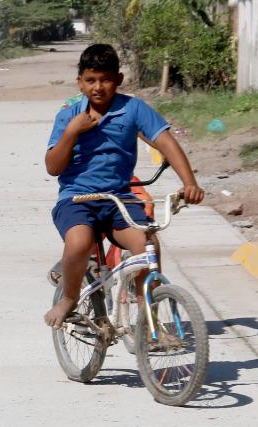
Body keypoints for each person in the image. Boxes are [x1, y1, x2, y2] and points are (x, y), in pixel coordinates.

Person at [43, 43, 204, 328]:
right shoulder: (69, 114)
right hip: (77, 199)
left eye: (105, 79)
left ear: (118, 79)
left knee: (148, 245)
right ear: (80, 82)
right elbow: (53, 167)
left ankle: (148, 322)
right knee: (79, 244)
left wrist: (189, 182)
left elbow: (166, 142)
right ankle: (68, 297)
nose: (98, 87)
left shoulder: (133, 108)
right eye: (91, 80)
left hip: (119, 199)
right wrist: (72, 132)